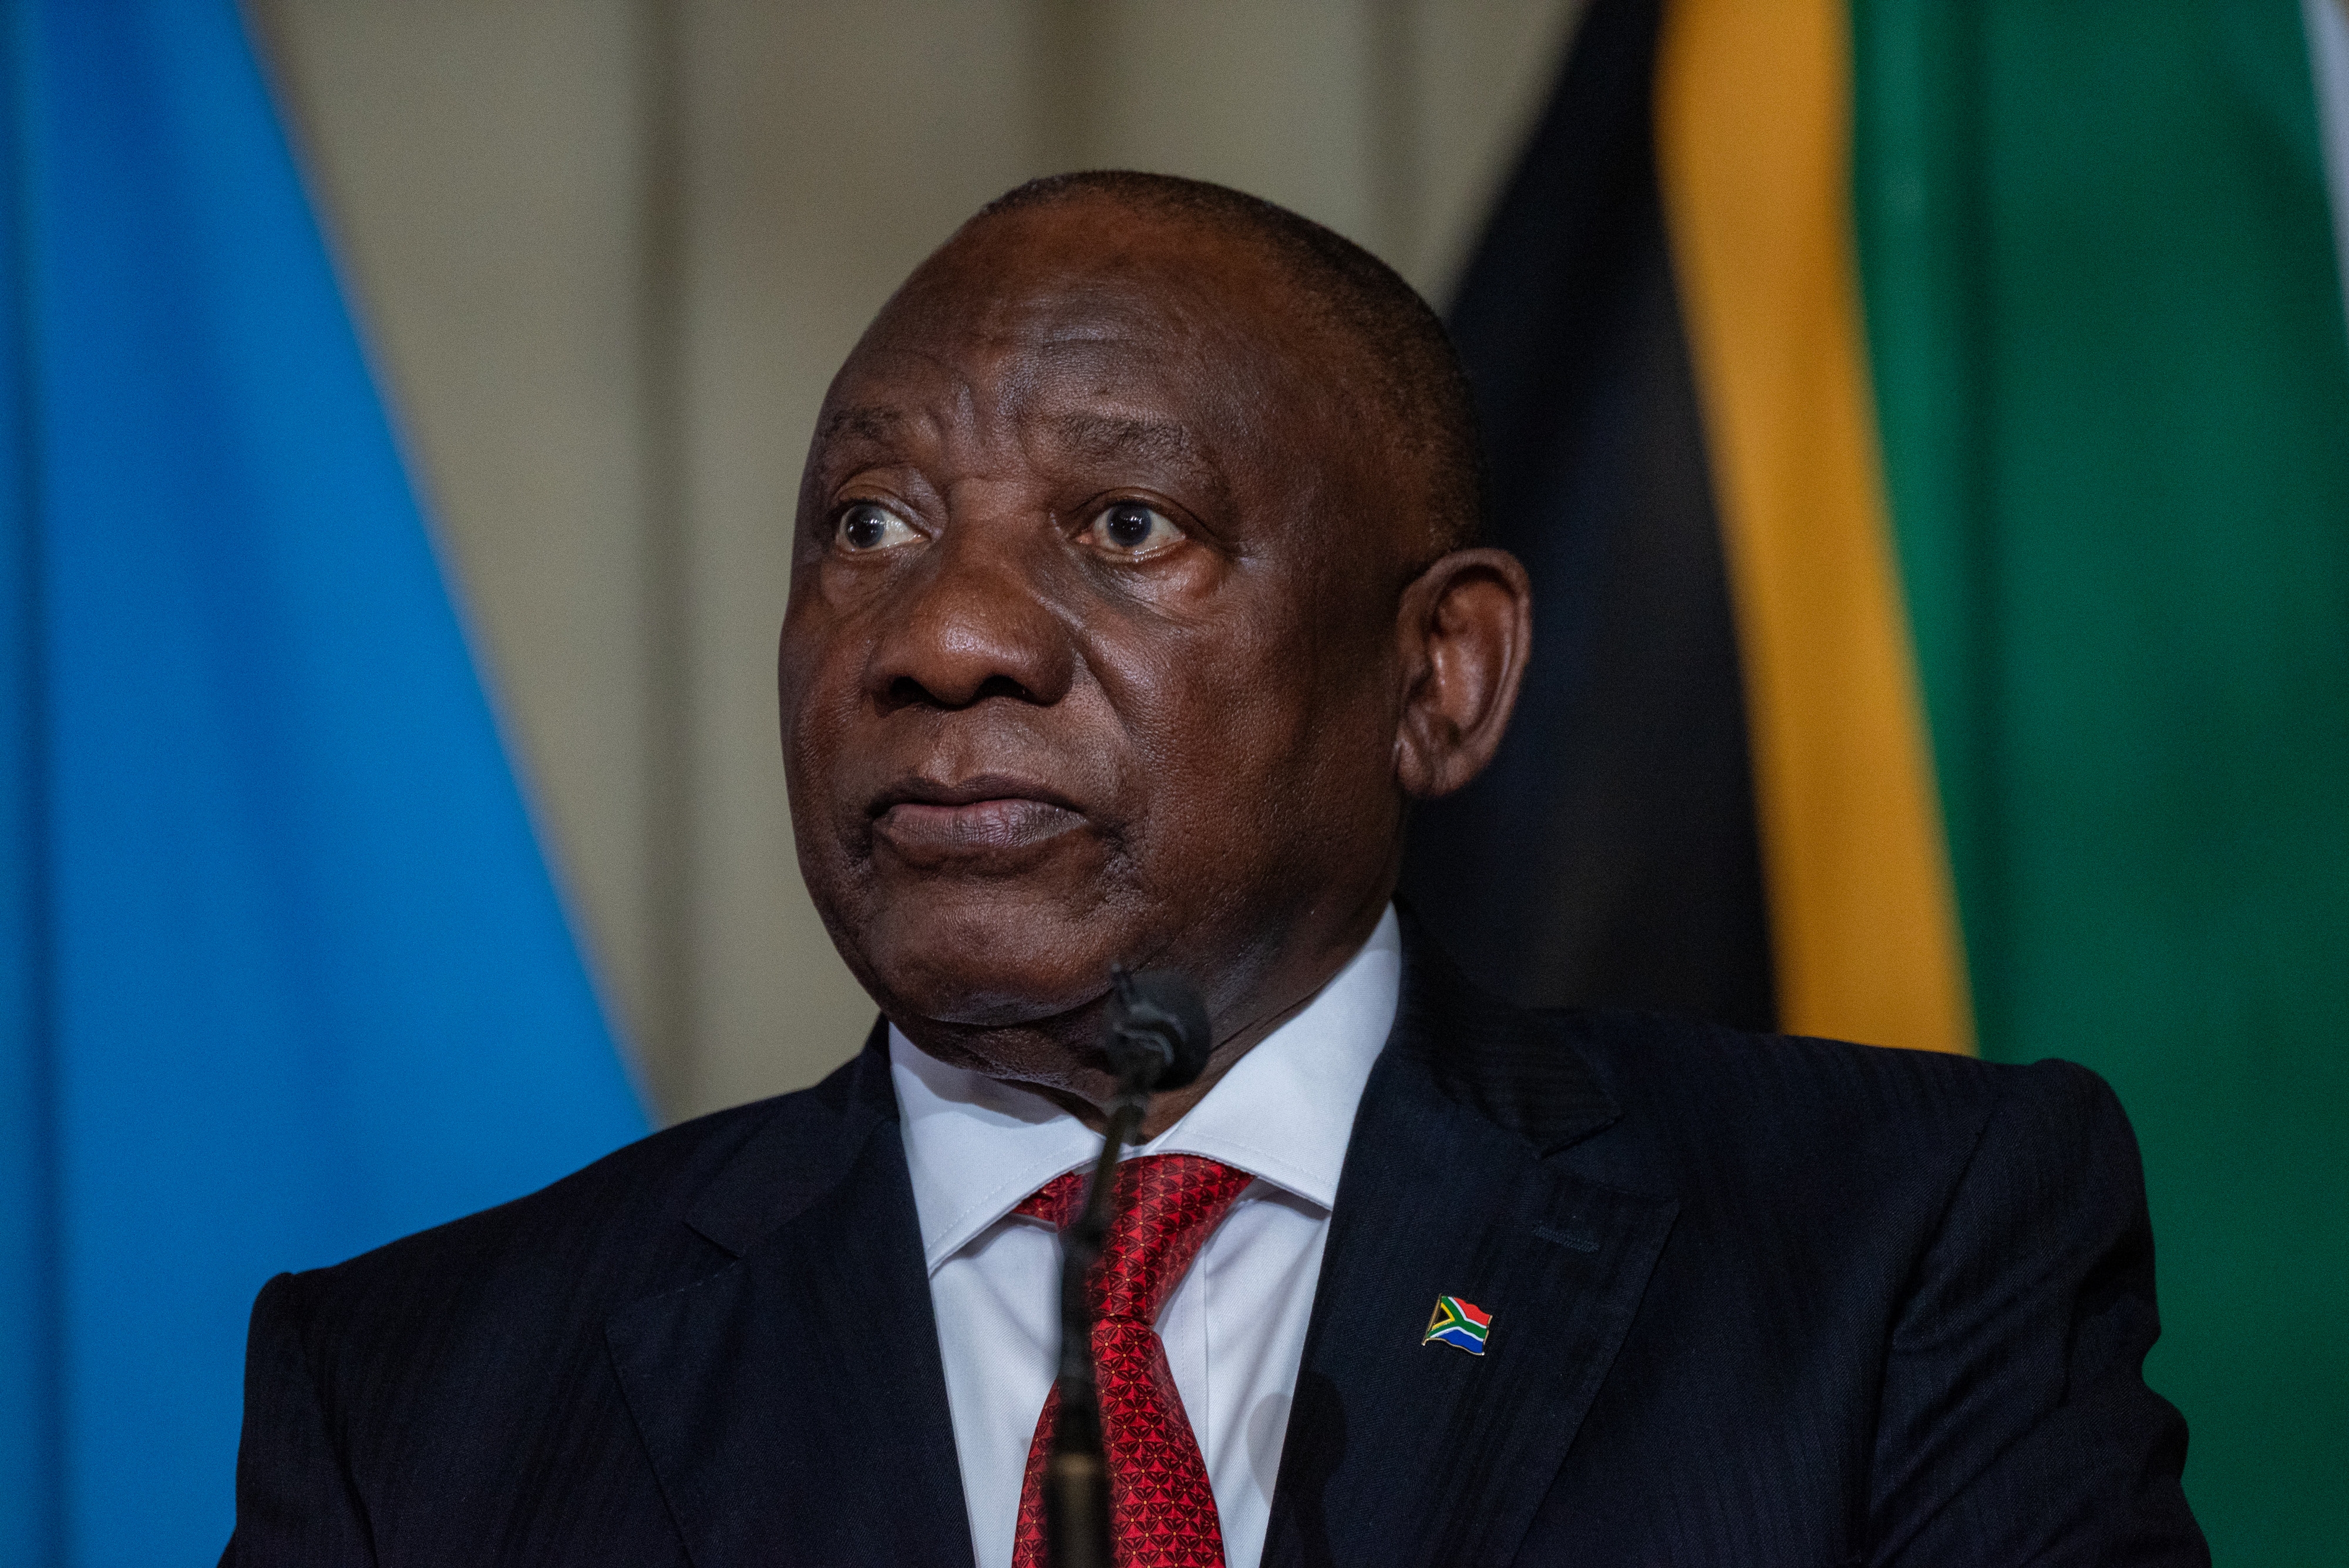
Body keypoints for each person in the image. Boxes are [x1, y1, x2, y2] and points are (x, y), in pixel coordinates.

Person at [222, 172, 2206, 1567]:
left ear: (1443, 673)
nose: (946, 635)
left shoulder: (1886, 1250)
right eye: (871, 522)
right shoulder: (425, 1393)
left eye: (1128, 522)